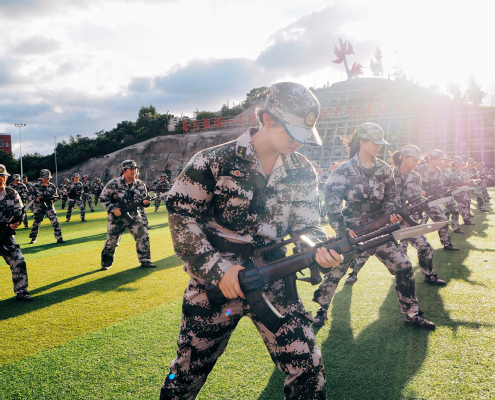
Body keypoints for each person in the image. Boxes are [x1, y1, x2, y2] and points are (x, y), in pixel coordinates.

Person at [160, 82, 342, 400]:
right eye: (293, 132)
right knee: (185, 373)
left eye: (304, 135)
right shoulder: (212, 161)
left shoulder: (302, 170)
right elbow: (182, 218)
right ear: (268, 119)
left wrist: (318, 249)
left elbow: (307, 225)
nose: (299, 142)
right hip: (214, 286)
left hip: (273, 280)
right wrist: (219, 270)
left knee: (308, 368)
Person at [312, 123, 436, 330]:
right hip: (352, 231)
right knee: (336, 271)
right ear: (362, 141)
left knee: (404, 266)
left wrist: (391, 215)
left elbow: (391, 197)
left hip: (379, 229)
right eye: (375, 142)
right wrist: (343, 231)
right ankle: (321, 310)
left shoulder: (384, 169)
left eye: (381, 142)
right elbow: (332, 205)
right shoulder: (344, 170)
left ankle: (412, 313)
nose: (379, 146)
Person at [389, 145, 447, 285]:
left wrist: (423, 202)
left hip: (408, 220)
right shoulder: (389, 175)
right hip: (389, 222)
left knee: (424, 245)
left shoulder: (416, 177)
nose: (417, 163)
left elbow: (415, 199)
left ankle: (428, 275)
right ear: (404, 158)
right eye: (414, 160)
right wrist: (391, 214)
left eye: (417, 160)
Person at [99, 160, 155, 271]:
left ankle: (145, 260)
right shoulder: (114, 183)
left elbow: (144, 200)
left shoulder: (140, 184)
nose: (134, 171)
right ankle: (106, 263)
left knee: (143, 236)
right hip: (116, 217)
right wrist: (113, 209)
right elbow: (103, 198)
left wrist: (146, 203)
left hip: (133, 216)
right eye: (131, 169)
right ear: (124, 170)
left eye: (135, 169)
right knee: (112, 241)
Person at [415, 149, 460, 249]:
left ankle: (447, 244)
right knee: (410, 226)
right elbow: (410, 184)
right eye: (440, 159)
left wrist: (445, 190)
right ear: (433, 159)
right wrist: (419, 190)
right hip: (416, 202)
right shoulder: (419, 169)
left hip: (430, 202)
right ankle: (402, 248)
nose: (441, 162)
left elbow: (439, 187)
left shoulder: (438, 171)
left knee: (442, 221)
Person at [0, 165, 32, 301]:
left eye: (3, 177)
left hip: (6, 235)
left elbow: (19, 211)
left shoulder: (12, 193)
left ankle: (21, 291)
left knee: (18, 260)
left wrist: (16, 222)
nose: (1, 179)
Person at [28, 169, 66, 244]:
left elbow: (55, 195)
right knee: (36, 223)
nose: (47, 179)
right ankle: (33, 238)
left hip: (49, 206)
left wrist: (54, 199)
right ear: (41, 177)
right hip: (39, 207)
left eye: (48, 177)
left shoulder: (52, 186)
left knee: (55, 222)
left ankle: (59, 238)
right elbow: (29, 195)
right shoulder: (35, 186)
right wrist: (36, 198)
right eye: (45, 177)